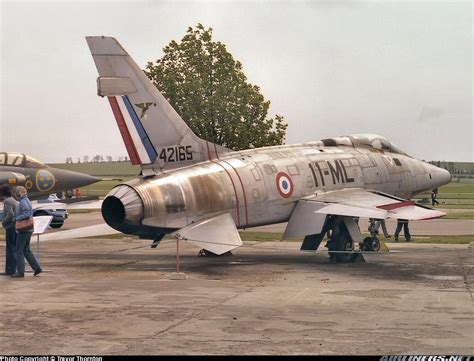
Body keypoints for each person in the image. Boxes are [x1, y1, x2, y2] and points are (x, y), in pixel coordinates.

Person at [11, 186, 42, 278]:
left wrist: (16, 218)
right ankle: (36, 268)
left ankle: (20, 272)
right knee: (26, 250)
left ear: (20, 192)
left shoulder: (23, 201)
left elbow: (27, 213)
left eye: (17, 192)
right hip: (29, 228)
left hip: (23, 229)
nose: (16, 194)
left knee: (18, 251)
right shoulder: (27, 200)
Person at [0, 186, 18, 275]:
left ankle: (10, 270)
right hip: (15, 226)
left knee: (9, 249)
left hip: (10, 227)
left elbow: (10, 214)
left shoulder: (7, 201)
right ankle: (13, 269)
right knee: (13, 248)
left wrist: (3, 221)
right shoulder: (13, 200)